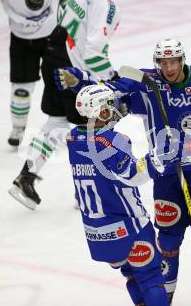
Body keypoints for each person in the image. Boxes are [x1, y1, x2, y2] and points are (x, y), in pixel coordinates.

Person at [55, 39, 191, 305]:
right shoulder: (146, 83)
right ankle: (163, 294)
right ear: (157, 63)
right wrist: (84, 80)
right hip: (166, 178)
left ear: (182, 60)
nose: (168, 68)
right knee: (167, 241)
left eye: (173, 61)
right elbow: (111, 91)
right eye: (163, 62)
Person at [8, 0, 124, 210]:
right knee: (94, 126)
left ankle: (26, 178)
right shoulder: (105, 5)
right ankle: (87, 193)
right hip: (73, 71)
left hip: (53, 56)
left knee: (57, 122)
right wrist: (114, 82)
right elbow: (93, 56)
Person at [67, 84, 176, 306]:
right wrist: (159, 157)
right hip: (128, 225)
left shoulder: (72, 139)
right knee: (151, 277)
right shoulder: (113, 140)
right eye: (109, 106)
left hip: (97, 231)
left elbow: (95, 141)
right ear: (100, 112)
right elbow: (133, 174)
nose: (114, 108)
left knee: (132, 275)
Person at [0, 0, 72, 146]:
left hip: (53, 32)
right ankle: (18, 128)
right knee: (21, 89)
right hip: (22, 38)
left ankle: (59, 125)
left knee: (60, 80)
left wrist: (74, 20)